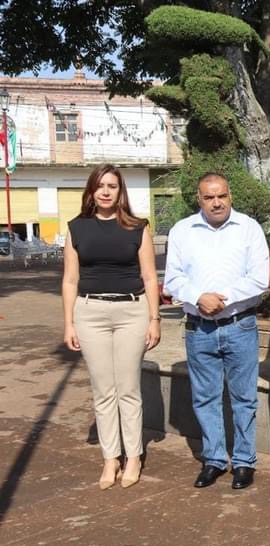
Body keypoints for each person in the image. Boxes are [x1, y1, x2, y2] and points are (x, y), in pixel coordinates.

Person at [164, 172, 269, 490]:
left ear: (230, 195)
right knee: (205, 398)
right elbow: (172, 279)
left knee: (243, 398)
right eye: (209, 197)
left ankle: (243, 462)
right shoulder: (182, 231)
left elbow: (260, 277)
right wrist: (199, 298)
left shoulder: (248, 228)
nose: (216, 202)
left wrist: (221, 299)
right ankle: (213, 460)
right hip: (199, 329)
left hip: (240, 324)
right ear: (199, 199)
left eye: (221, 195)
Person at [62, 164, 160, 490]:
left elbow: (149, 277)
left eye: (112, 186)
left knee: (128, 389)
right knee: (103, 390)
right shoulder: (76, 228)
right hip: (90, 313)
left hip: (132, 311)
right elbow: (70, 279)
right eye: (100, 186)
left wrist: (155, 319)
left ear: (121, 192)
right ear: (91, 191)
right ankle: (110, 458)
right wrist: (68, 324)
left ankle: (133, 456)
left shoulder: (138, 228)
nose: (106, 191)